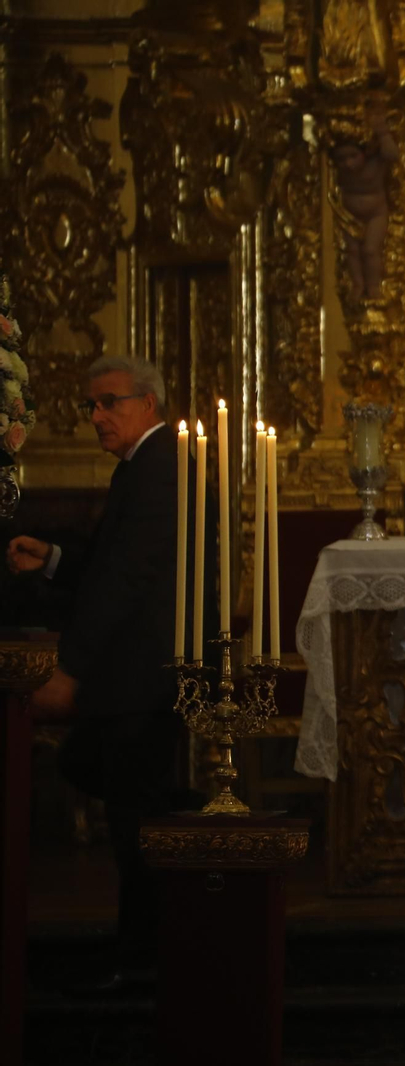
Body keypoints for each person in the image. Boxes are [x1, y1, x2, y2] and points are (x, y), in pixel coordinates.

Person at [6, 354, 203, 994]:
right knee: (108, 784)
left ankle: (141, 957)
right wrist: (56, 558)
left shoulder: (159, 465)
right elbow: (108, 561)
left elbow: (126, 580)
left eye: (108, 402)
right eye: (91, 405)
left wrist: (69, 668)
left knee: (130, 823)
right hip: (132, 671)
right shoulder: (144, 466)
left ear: (148, 402)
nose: (96, 416)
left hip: (140, 671)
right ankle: (198, 826)